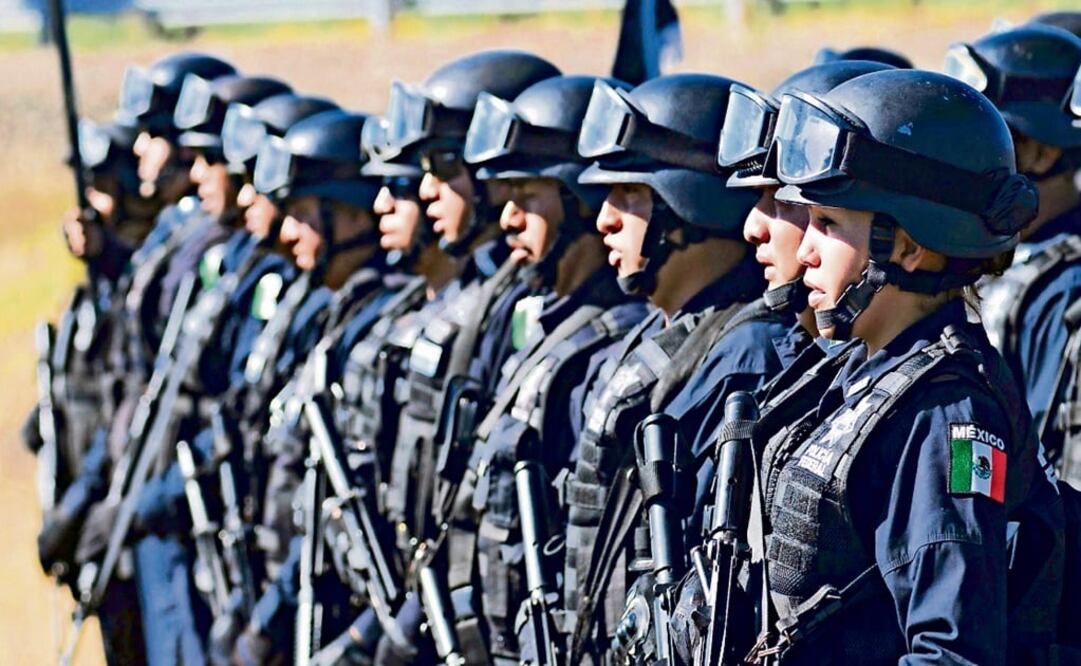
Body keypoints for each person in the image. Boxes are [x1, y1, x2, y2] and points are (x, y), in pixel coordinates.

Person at [743, 67, 1063, 664]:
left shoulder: (949, 416)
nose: (805, 250)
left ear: (910, 245)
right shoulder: (861, 373)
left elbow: (951, 651)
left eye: (829, 224)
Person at [561, 72, 788, 662]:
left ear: (690, 203)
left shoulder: (747, 356)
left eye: (629, 195)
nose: (604, 219)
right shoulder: (660, 334)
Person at [945, 26, 1081, 479]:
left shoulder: (1065, 293)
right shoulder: (995, 261)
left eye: (994, 137)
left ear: (1041, 153)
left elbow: (1039, 469)